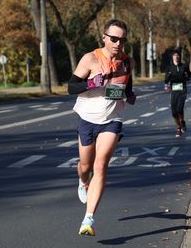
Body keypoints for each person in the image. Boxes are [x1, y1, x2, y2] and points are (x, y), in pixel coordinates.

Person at [67, 19, 136, 235]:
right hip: (88, 118)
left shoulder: (127, 62)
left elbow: (126, 87)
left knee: (101, 165)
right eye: (114, 39)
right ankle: (82, 180)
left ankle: (88, 219)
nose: (118, 43)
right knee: (86, 166)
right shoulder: (90, 58)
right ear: (104, 38)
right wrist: (91, 83)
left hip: (111, 120)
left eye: (122, 40)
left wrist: (130, 95)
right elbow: (70, 87)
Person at [164, 50, 191, 137]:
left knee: (180, 108)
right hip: (174, 90)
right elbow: (166, 80)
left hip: (182, 89)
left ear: (179, 57)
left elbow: (190, 75)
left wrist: (187, 78)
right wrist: (168, 78)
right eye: (175, 56)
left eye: (178, 55)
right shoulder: (169, 67)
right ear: (172, 57)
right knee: (174, 112)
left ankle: (180, 126)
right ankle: (179, 124)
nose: (176, 57)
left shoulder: (184, 66)